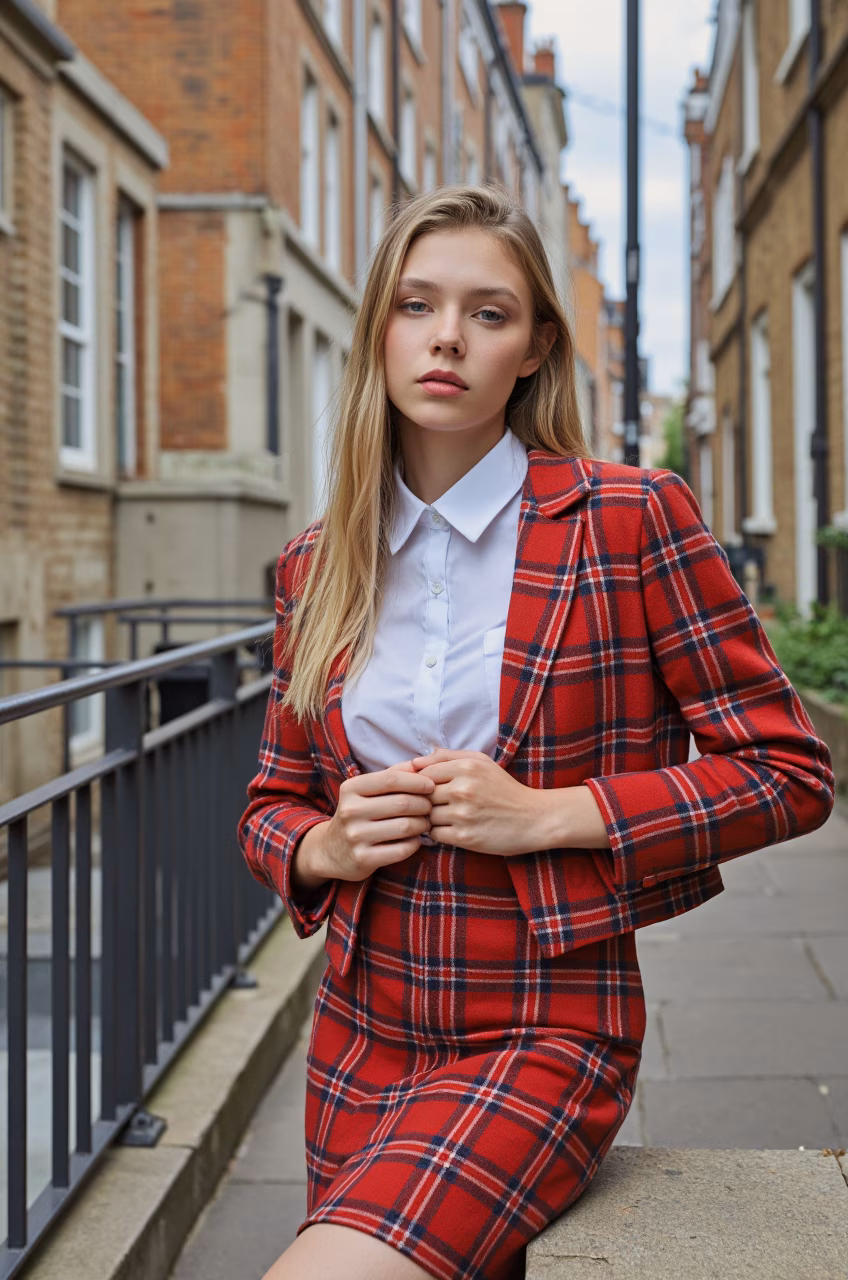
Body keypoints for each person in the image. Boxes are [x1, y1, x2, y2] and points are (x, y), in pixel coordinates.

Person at [238, 184, 834, 1280]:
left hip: (543, 1024)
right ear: (379, 325)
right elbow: (270, 803)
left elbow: (789, 771)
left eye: (488, 312)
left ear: (533, 346)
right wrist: (323, 843)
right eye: (416, 304)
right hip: (360, 1032)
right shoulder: (317, 563)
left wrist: (556, 813)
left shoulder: (627, 517)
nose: (446, 338)